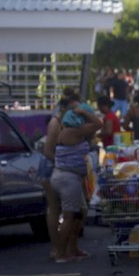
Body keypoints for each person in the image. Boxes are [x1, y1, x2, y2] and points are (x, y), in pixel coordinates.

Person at [45, 102, 102, 263]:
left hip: (65, 177)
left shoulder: (67, 131)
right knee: (69, 217)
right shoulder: (74, 131)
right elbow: (98, 123)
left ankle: (72, 248)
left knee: (79, 213)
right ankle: (61, 253)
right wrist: (84, 112)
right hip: (68, 179)